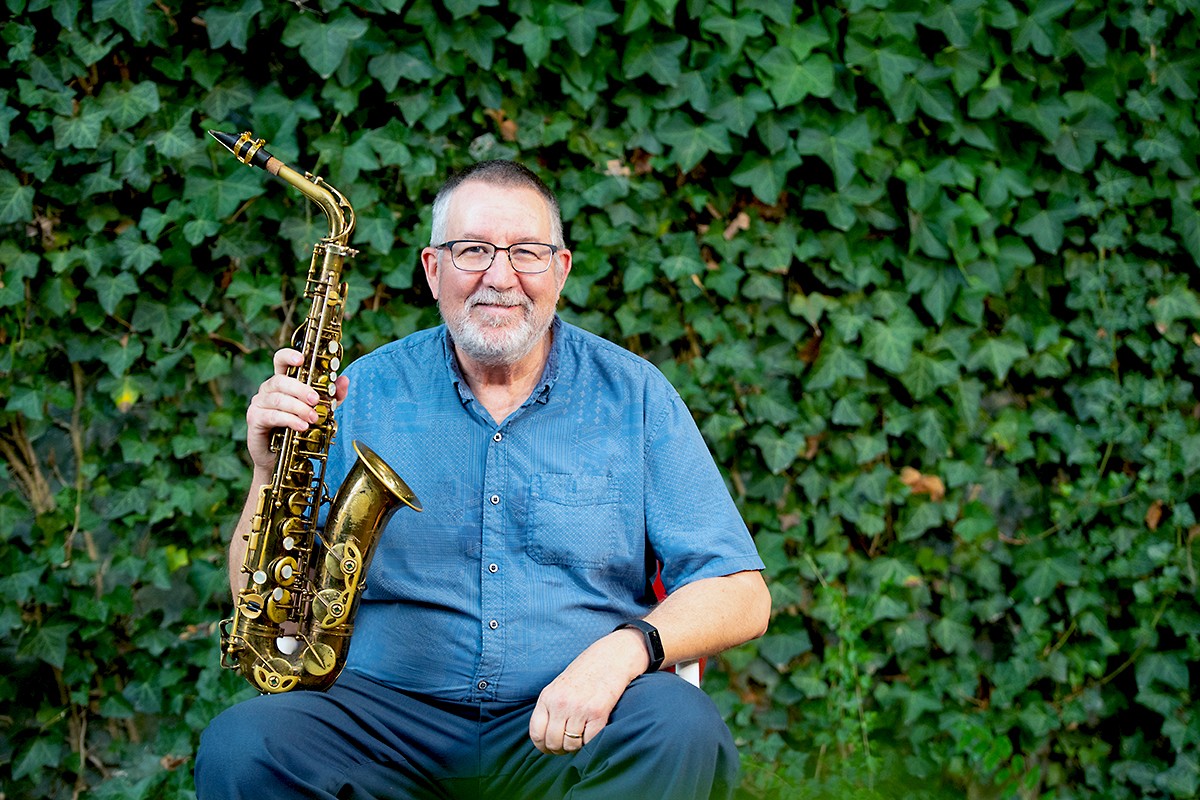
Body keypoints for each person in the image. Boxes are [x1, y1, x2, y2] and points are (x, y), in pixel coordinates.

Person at [195, 160, 771, 800]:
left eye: (527, 252)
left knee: (679, 725)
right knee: (243, 745)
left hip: (573, 719)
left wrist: (626, 651)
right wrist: (268, 472)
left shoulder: (634, 394)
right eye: (472, 251)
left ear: (561, 269)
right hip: (382, 720)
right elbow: (262, 603)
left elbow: (741, 593)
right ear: (433, 269)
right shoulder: (356, 389)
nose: (500, 277)